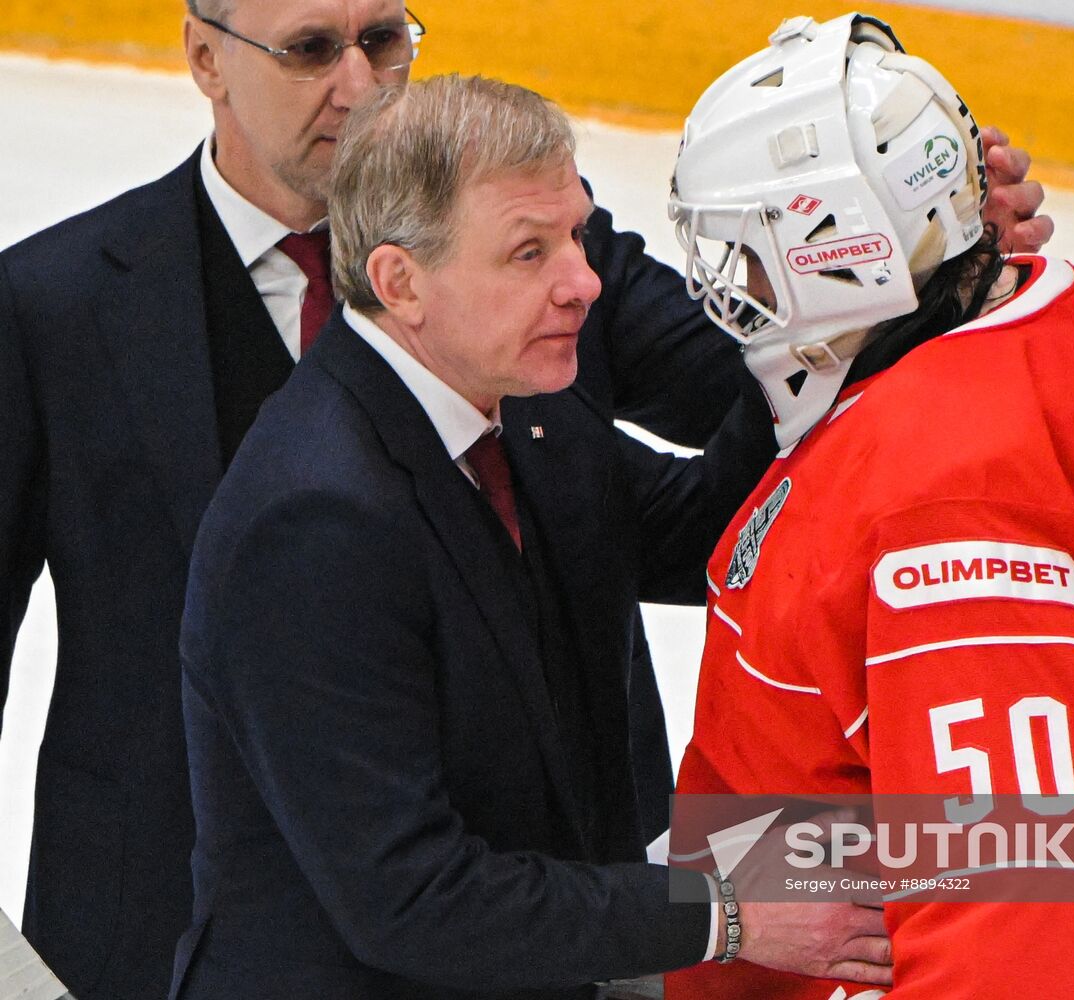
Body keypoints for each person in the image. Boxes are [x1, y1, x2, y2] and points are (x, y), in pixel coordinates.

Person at [0, 0, 1046, 993]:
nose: (359, 84)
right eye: (312, 46)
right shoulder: (290, 486)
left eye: (383, 38)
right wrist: (724, 913)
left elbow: (714, 509)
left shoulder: (526, 386)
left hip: (558, 920)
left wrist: (910, 265)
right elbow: (411, 892)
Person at [170, 73, 900, 998]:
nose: (584, 283)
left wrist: (851, 311)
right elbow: (412, 897)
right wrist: (728, 914)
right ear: (401, 283)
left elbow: (703, 539)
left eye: (577, 235)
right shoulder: (316, 520)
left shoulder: (521, 408)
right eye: (528, 252)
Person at [665, 13, 1074, 999]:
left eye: (749, 250)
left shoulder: (942, 495)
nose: (730, 285)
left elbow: (1053, 919)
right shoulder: (1052, 319)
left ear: (847, 250)